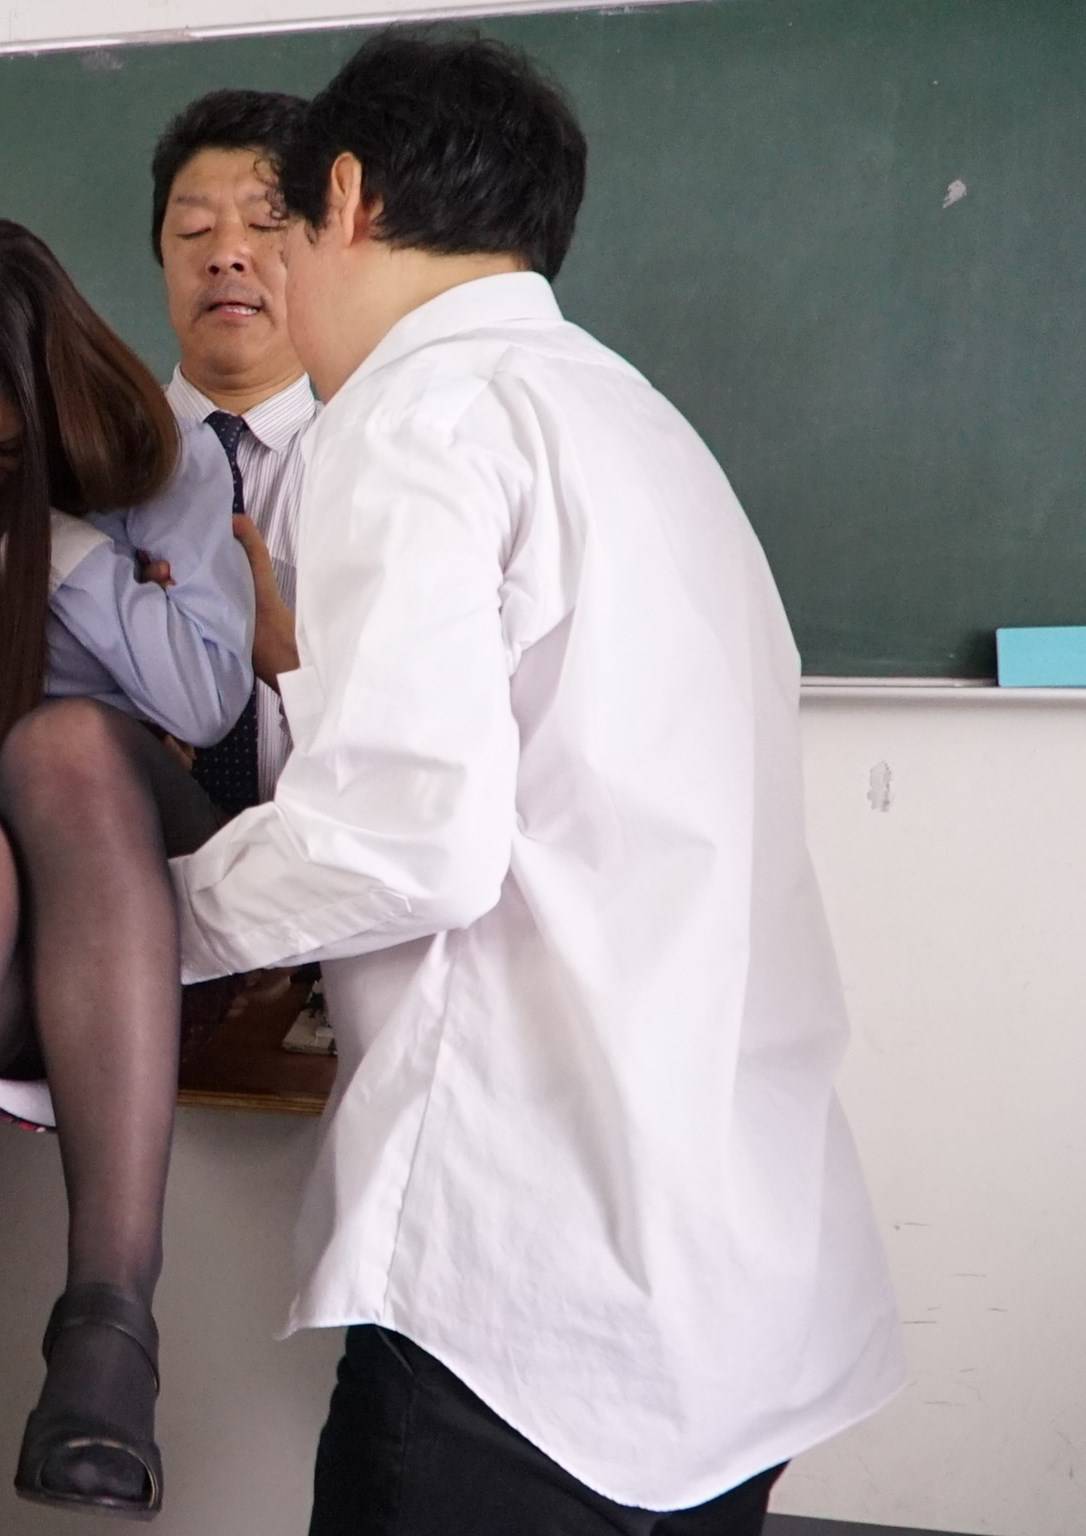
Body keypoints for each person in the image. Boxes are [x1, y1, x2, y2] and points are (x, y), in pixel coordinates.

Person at [172, 32, 905, 1536]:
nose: (266, 275)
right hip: (731, 1278)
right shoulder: (636, 421)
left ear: (349, 197)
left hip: (526, 1290)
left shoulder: (413, 414)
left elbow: (406, 840)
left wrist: (136, 921)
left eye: (281, 227)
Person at [0, 220, 255, 1518]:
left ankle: (108, 1328)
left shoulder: (160, 463)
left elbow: (202, 699)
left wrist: (56, 545)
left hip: (146, 877)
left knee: (57, 747)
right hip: (14, 922)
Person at [152, 87, 315, 814]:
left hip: (333, 869)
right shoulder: (92, 466)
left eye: (266, 224)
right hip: (123, 859)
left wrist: (289, 661)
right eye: (193, 231)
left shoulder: (380, 465)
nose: (225, 256)